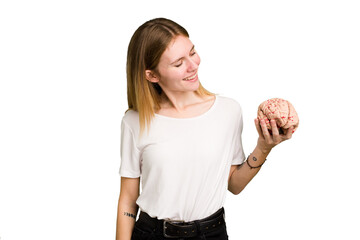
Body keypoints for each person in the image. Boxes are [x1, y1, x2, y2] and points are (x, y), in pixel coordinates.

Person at [116, 18, 293, 240]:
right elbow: (128, 199)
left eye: (192, 52)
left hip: (212, 233)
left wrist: (264, 147)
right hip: (152, 234)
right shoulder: (134, 122)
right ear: (152, 75)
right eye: (179, 63)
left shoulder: (228, 111)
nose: (193, 65)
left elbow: (234, 185)